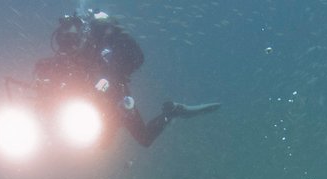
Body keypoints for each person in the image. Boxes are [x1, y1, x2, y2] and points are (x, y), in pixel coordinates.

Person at [33, 9, 220, 147]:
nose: (68, 46)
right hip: (80, 104)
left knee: (143, 138)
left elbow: (136, 58)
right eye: (64, 41)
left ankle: (172, 112)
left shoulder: (101, 44)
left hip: (113, 97)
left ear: (83, 36)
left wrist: (112, 73)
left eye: (72, 40)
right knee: (98, 144)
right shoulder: (61, 59)